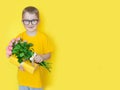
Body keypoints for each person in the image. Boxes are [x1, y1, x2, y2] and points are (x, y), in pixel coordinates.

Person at [16, 6, 53, 90]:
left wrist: (42, 57)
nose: (30, 24)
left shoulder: (43, 37)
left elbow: (49, 55)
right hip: (23, 79)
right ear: (22, 22)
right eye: (27, 21)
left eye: (33, 20)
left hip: (37, 81)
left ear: (38, 21)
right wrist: (19, 64)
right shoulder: (19, 37)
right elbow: (15, 55)